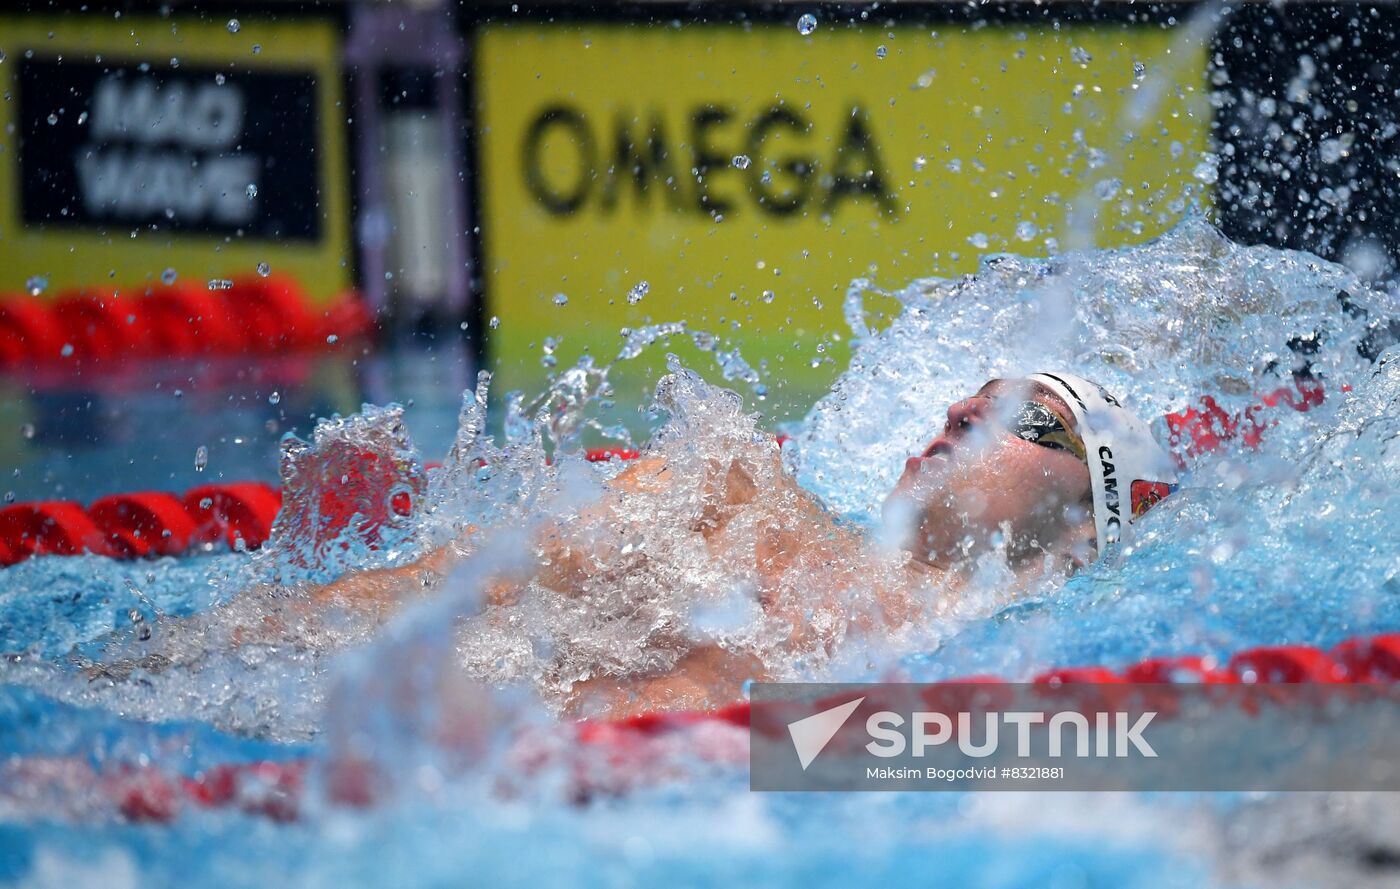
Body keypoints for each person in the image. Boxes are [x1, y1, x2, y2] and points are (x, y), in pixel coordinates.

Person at [312, 371, 1180, 718]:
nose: (960, 414)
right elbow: (420, 594)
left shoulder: (1018, 669)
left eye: (1027, 416)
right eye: (964, 402)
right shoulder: (736, 496)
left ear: (1087, 520)